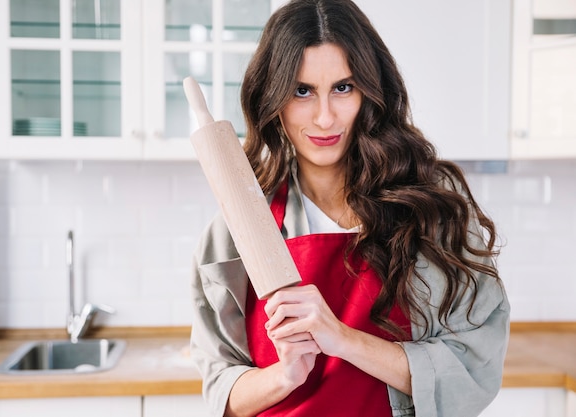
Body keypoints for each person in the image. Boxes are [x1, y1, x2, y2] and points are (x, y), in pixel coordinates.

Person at [190, 0, 510, 416]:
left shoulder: (433, 208)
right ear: (274, 100)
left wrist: (341, 339)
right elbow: (221, 391)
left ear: (371, 91)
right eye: (302, 91)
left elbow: (474, 367)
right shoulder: (234, 233)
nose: (325, 118)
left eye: (343, 87)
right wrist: (284, 376)